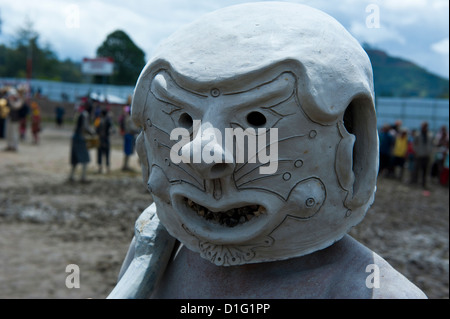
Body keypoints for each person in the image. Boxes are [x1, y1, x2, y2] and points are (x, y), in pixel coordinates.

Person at [69, 103, 95, 182]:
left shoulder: (79, 113)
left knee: (75, 158)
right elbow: (85, 127)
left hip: (74, 137)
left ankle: (71, 176)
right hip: (80, 138)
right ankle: (83, 177)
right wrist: (93, 133)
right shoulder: (85, 114)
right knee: (85, 158)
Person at [410, 121, 434, 189]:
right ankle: (415, 182)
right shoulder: (418, 135)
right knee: (417, 169)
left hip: (426, 155)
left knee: (425, 170)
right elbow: (414, 144)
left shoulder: (430, 135)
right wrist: (416, 151)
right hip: (419, 155)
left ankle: (423, 183)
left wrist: (430, 151)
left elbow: (432, 144)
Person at [122, 106, 140, 171]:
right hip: (129, 135)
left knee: (127, 151)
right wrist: (138, 130)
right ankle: (125, 165)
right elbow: (132, 128)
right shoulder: (130, 119)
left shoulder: (127, 118)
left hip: (127, 135)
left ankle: (125, 165)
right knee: (128, 151)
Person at [96, 108, 113, 174]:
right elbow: (113, 130)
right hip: (106, 139)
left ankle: (100, 168)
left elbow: (96, 129)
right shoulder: (109, 120)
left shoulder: (98, 120)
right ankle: (107, 169)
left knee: (100, 154)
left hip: (100, 139)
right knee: (107, 154)